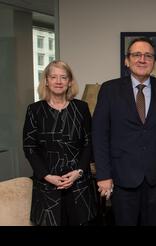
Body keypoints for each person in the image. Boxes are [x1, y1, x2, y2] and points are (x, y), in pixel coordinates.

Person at [92, 37, 156, 225]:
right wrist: (104, 175)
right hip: (122, 177)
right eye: (137, 55)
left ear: (154, 62)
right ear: (127, 60)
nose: (142, 59)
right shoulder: (109, 90)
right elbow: (99, 136)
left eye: (148, 56)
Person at [23, 60, 97, 226]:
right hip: (48, 185)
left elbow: (89, 143)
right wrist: (47, 176)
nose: (58, 81)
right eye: (53, 77)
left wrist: (79, 171)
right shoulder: (34, 110)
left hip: (79, 184)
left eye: (63, 77)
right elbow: (29, 148)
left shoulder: (81, 108)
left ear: (70, 82)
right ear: (46, 81)